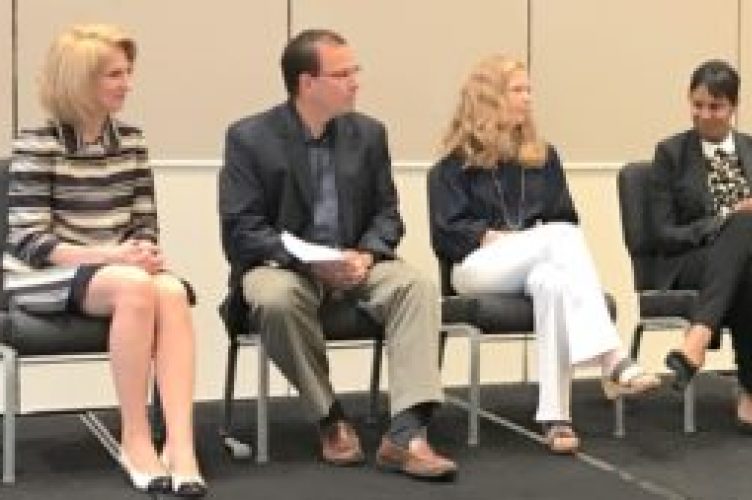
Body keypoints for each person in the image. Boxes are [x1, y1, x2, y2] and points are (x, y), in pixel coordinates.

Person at [218, 28, 457, 480]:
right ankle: (330, 418)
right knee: (274, 299)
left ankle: (406, 434)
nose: (355, 82)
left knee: (417, 286)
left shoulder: (369, 134)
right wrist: (311, 261)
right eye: (342, 74)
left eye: (355, 71)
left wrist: (366, 255)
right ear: (307, 83)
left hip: (356, 262)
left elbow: (388, 215)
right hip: (285, 266)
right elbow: (242, 231)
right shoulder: (250, 137)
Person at [5, 24, 206, 496]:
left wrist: (143, 249)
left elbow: (144, 220)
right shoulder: (38, 143)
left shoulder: (132, 141)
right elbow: (29, 240)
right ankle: (135, 439)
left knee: (171, 290)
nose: (126, 83)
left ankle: (181, 446)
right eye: (113, 74)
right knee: (134, 286)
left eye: (127, 72)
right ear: (78, 81)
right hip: (42, 275)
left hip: (116, 271)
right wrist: (109, 256)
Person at [428, 55, 660, 454]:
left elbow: (564, 217)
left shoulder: (544, 158)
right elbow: (447, 234)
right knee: (557, 238)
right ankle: (611, 356)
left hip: (536, 261)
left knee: (553, 281)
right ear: (490, 98)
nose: (529, 98)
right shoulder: (453, 165)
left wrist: (531, 243)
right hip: (476, 268)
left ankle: (556, 417)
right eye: (519, 90)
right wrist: (495, 238)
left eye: (529, 90)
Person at [653, 60, 752, 437]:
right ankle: (750, 388)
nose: (704, 115)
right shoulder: (671, 153)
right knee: (751, 274)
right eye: (697, 105)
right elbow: (664, 233)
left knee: (749, 222)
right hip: (700, 259)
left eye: (714, 107)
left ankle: (698, 337)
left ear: (734, 107)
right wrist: (722, 221)